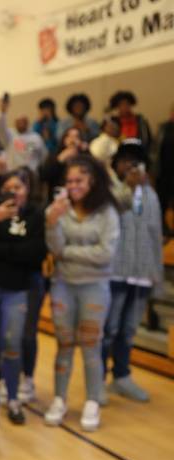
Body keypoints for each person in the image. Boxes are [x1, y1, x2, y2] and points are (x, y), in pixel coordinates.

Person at [44, 154, 119, 432]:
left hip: (95, 287)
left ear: (92, 181)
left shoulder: (107, 212)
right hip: (63, 284)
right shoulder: (58, 209)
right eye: (70, 180)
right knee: (64, 344)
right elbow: (54, 248)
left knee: (91, 345)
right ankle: (60, 399)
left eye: (79, 180)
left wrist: (68, 253)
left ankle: (92, 401)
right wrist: (52, 224)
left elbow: (105, 254)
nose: (73, 185)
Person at [0, 168, 47, 424]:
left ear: (28, 190)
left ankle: (12, 399)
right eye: (9, 187)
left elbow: (35, 253)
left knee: (12, 347)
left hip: (17, 289)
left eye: (19, 187)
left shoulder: (35, 215)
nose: (14, 192)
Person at [102, 141, 162, 403]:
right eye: (125, 160)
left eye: (135, 161)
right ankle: (98, 380)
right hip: (116, 273)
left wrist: (155, 275)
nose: (130, 165)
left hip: (142, 274)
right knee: (109, 328)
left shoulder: (152, 195)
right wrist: (130, 187)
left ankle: (122, 377)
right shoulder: (109, 190)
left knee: (128, 331)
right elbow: (112, 212)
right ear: (116, 164)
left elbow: (155, 234)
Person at [0, 97, 48, 173]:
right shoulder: (10, 136)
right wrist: (3, 112)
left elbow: (43, 155)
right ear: (15, 123)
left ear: (27, 122)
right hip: (13, 172)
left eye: (23, 121)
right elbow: (0, 127)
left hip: (31, 173)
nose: (21, 123)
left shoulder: (35, 137)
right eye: (18, 121)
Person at [39, 126, 89, 204]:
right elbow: (44, 176)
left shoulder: (86, 155)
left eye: (76, 137)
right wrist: (59, 160)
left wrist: (86, 151)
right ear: (64, 140)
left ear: (81, 141)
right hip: (58, 199)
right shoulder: (55, 155)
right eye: (69, 136)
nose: (72, 139)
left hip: (82, 200)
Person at [155, 104, 174, 227]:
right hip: (164, 171)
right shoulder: (163, 128)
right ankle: (163, 227)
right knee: (162, 202)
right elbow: (156, 150)